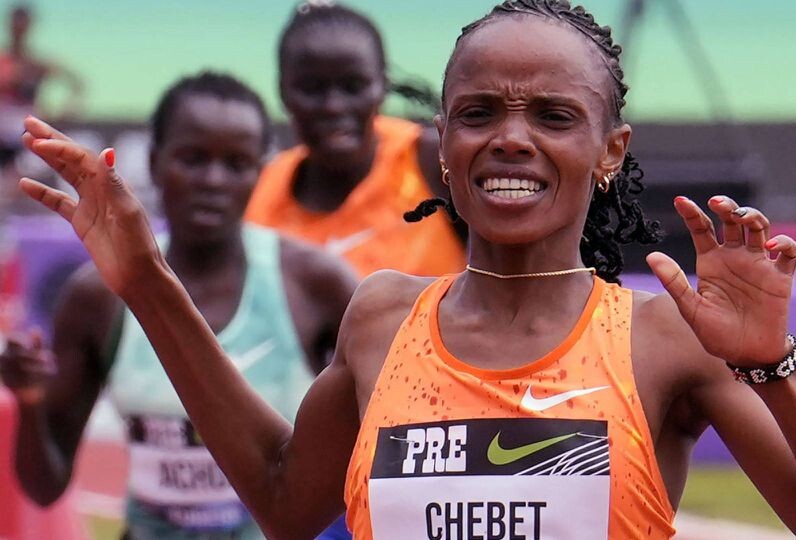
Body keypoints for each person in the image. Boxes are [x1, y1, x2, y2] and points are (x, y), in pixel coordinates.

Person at [16, 1, 796, 538]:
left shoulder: (661, 338)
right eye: (479, 113)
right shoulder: (382, 319)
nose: (511, 137)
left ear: (610, 150)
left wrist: (775, 368)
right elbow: (285, 505)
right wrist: (149, 283)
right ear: (443, 144)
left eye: (553, 115)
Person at [0, 72, 355, 539]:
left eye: (236, 163)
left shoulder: (314, 282)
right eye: (193, 158)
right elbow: (45, 486)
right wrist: (28, 400)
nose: (213, 180)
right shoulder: (99, 296)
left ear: (261, 172)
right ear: (154, 161)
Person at [245, 2, 465, 278]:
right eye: (311, 88)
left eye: (353, 86)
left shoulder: (433, 164)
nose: (333, 106)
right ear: (282, 91)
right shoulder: (257, 192)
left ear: (382, 86)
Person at [0, 4, 83, 171]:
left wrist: (62, 114)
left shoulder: (36, 63)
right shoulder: (4, 61)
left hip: (26, 131)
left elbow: (77, 84)